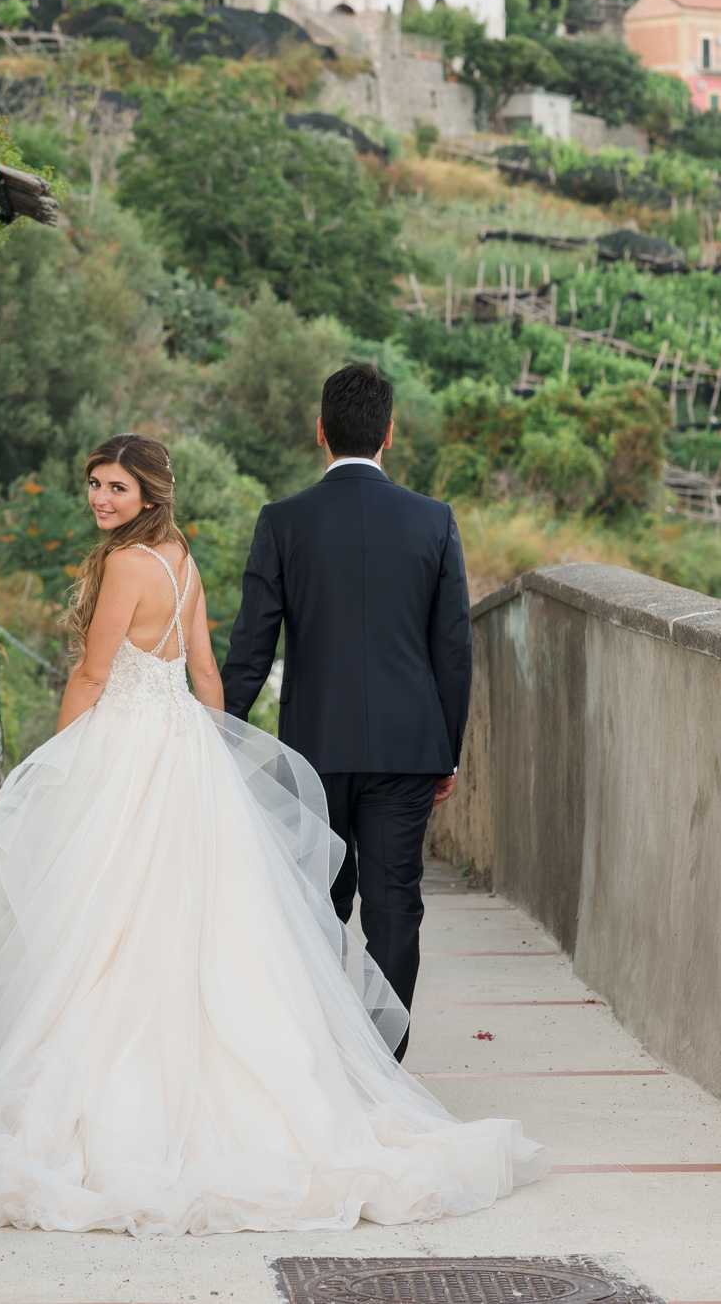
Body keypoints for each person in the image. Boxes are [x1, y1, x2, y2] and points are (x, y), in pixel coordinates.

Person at [0, 432, 546, 1235]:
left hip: (126, 753)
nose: (100, 500)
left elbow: (91, 673)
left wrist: (55, 766)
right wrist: (215, 752)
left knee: (107, 922)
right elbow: (207, 673)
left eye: (115, 487)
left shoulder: (124, 564)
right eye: (95, 486)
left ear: (148, 493)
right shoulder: (181, 560)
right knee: (200, 929)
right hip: (185, 750)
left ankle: (122, 1108)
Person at [221, 364, 472, 1063]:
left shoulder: (283, 522)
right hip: (408, 747)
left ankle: (327, 1058)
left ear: (321, 431)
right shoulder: (434, 520)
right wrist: (447, 748)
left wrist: (217, 734)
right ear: (390, 432)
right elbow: (453, 649)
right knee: (395, 900)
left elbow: (250, 648)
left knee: (320, 899)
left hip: (315, 748)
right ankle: (382, 1062)